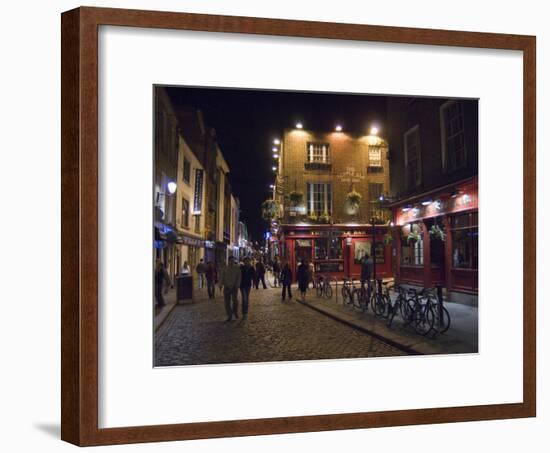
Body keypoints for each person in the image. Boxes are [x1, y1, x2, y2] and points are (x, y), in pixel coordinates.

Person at [219, 256, 242, 322]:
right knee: (227, 302)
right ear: (228, 261)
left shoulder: (237, 268)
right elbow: (221, 277)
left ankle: (235, 311)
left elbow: (239, 277)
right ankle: (229, 315)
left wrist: (237, 285)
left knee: (235, 301)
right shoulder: (225, 268)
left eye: (232, 260)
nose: (231, 262)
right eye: (230, 260)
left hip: (234, 287)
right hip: (227, 287)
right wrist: (220, 285)